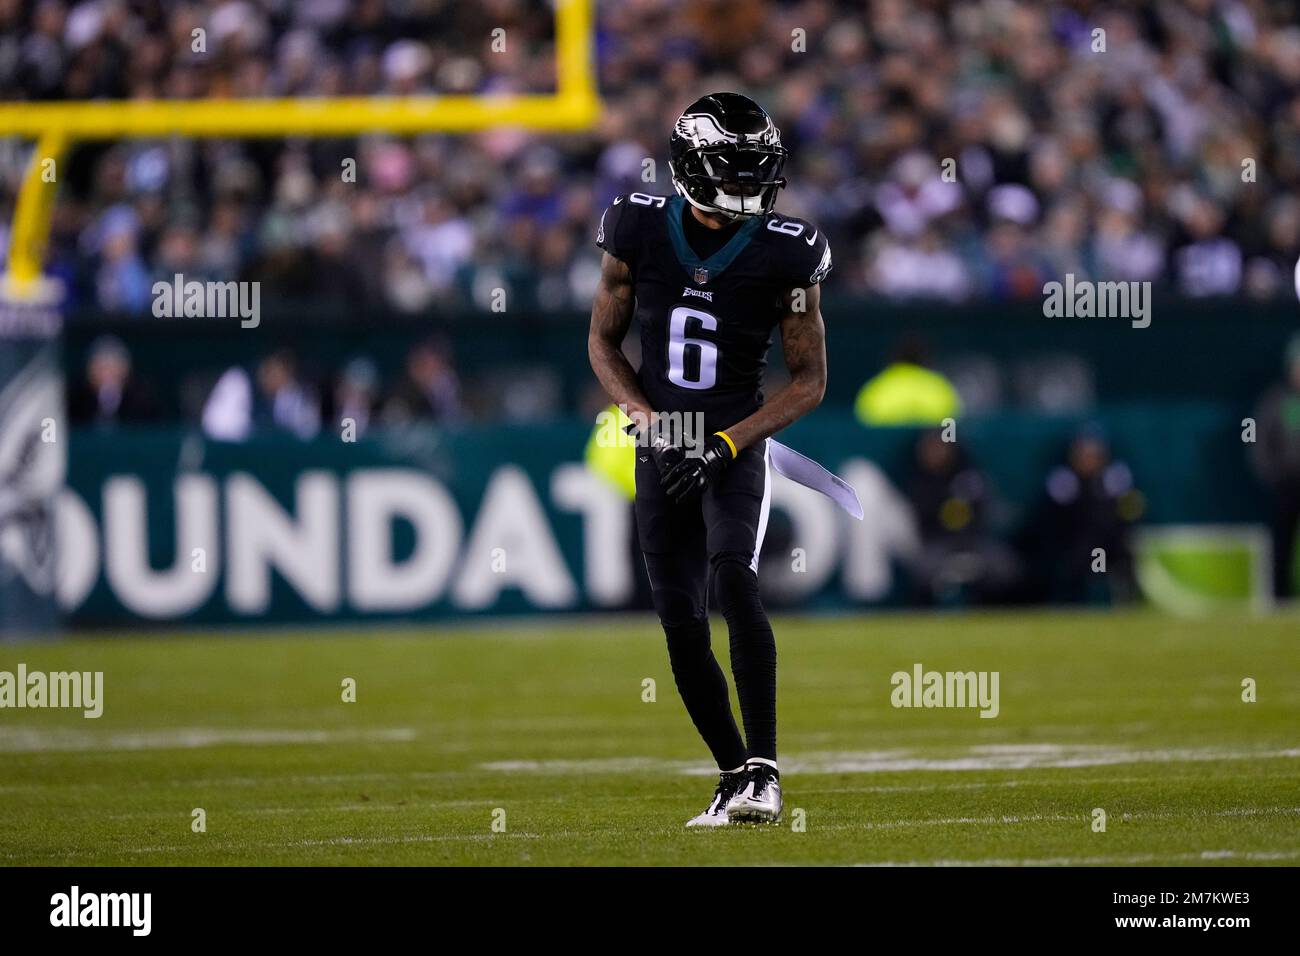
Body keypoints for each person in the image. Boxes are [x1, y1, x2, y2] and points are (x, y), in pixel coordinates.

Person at [587, 92, 831, 827]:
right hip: (663, 437)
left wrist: (725, 443)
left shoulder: (787, 249)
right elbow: (603, 341)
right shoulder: (635, 226)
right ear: (692, 165)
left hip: (733, 435)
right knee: (678, 618)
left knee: (735, 577)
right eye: (736, 167)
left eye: (761, 169)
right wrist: (648, 420)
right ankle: (732, 776)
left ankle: (766, 771)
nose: (752, 184)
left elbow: (810, 381)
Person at [1249, 334, 1300, 599]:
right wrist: (1273, 476)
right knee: (1282, 543)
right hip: (1287, 484)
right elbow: (1259, 443)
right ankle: (1279, 596)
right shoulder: (1276, 401)